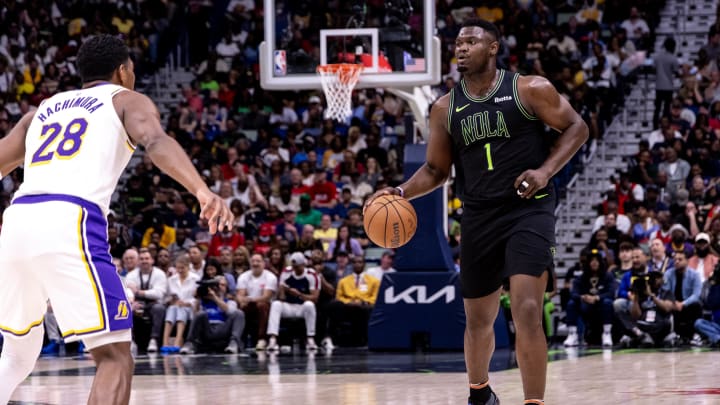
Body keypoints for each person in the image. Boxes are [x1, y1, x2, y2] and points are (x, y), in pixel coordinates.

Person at [0, 35, 233, 405]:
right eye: (134, 70)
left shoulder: (41, 110)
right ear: (123, 71)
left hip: (17, 220)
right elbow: (155, 142)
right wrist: (202, 190)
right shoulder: (126, 99)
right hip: (70, 218)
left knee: (18, 349)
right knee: (114, 354)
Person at [365, 19, 588, 405]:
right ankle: (480, 393)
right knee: (478, 319)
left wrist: (543, 171)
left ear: (493, 47)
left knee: (528, 307)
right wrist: (400, 191)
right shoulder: (444, 108)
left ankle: (534, 401)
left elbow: (576, 127)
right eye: (458, 42)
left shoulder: (529, 89)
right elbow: (436, 170)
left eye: (471, 41)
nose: (462, 48)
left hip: (527, 210)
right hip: (478, 215)